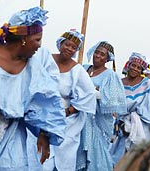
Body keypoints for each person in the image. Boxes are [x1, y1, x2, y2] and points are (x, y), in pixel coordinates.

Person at [0, 7, 67, 171]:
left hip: (10, 136)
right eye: (37, 40)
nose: (39, 46)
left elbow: (46, 100)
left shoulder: (33, 67)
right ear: (23, 39)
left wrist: (44, 133)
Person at [41, 30, 96, 171]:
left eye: (74, 48)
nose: (69, 49)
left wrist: (68, 111)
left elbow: (89, 94)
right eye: (67, 45)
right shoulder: (45, 59)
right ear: (60, 44)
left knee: (61, 156)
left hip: (66, 120)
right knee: (38, 154)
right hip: (41, 113)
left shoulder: (77, 70)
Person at [76, 41, 127, 171]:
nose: (98, 56)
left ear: (107, 58)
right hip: (77, 116)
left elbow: (113, 101)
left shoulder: (110, 76)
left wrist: (97, 91)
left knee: (95, 153)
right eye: (97, 52)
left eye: (102, 54)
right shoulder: (83, 68)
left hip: (95, 121)